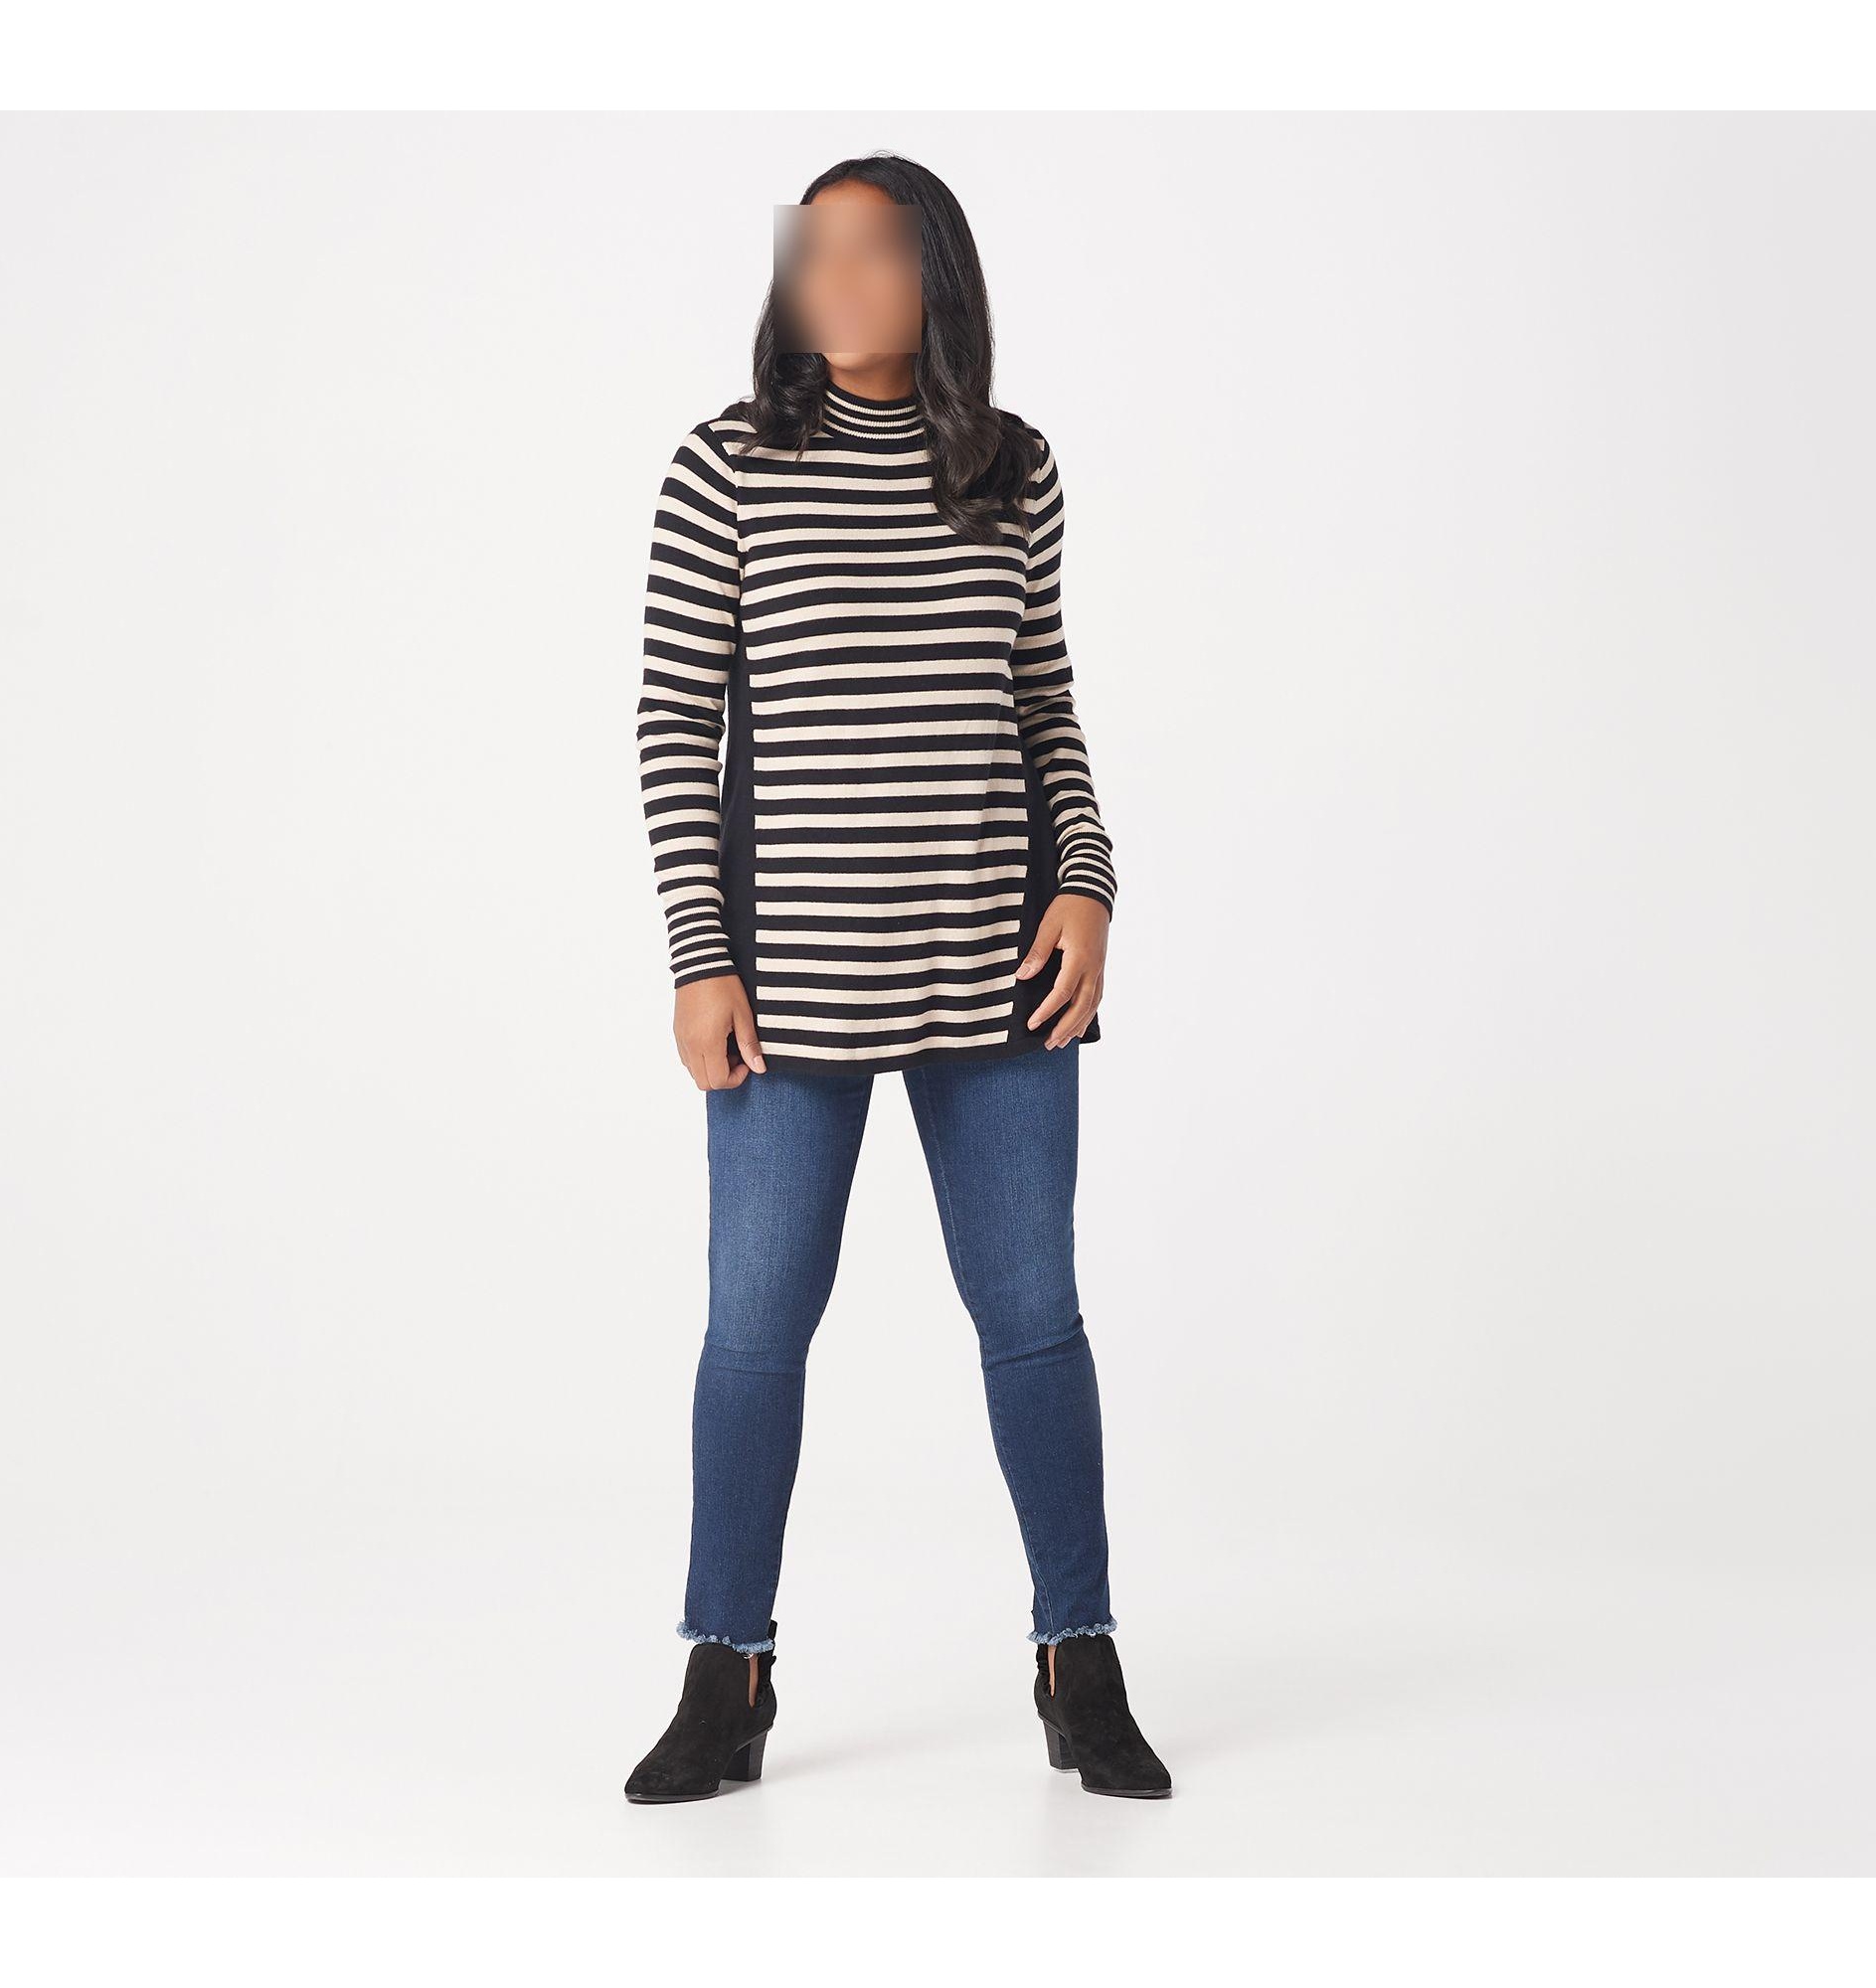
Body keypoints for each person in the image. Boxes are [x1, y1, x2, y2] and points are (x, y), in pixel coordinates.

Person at [623, 152, 1171, 1803]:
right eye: (815, 250)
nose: (840, 275)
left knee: (1033, 1322)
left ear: (939, 272)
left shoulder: (1013, 466)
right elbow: (676, 723)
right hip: (788, 990)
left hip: (1000, 975)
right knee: (753, 1333)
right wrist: (700, 957)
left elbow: (1043, 703)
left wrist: (1087, 883)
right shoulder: (726, 465)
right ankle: (727, 1667)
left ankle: (1079, 1659)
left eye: (876, 248)